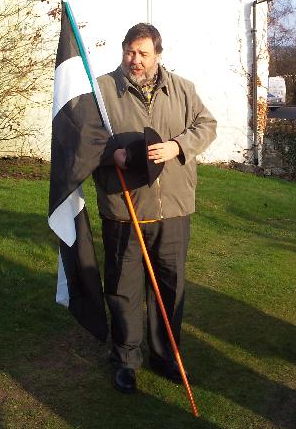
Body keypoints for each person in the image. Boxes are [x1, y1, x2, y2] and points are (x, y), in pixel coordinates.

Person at [93, 23, 216, 394]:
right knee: (123, 288)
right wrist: (109, 152)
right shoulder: (101, 90)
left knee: (170, 288)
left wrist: (178, 146)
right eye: (130, 52)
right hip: (124, 209)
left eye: (144, 54)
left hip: (173, 208)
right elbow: (82, 136)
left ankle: (167, 357)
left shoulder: (182, 89)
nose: (135, 60)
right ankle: (126, 360)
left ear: (158, 55)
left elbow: (207, 125)